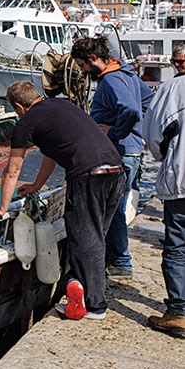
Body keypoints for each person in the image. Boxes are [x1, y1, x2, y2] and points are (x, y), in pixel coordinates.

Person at [0, 81, 124, 320]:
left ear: (19, 107)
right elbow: (51, 154)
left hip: (88, 177)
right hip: (116, 171)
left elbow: (12, 170)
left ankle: (94, 306)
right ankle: (80, 286)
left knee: (84, 239)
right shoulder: (62, 105)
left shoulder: (25, 123)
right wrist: (37, 186)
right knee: (97, 237)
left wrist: (2, 207)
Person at [71, 36, 154, 280]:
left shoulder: (112, 79)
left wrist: (116, 132)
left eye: (83, 65)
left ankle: (120, 261)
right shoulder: (127, 73)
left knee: (113, 207)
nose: (83, 71)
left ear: (93, 59)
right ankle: (118, 258)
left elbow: (130, 109)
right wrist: (140, 132)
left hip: (119, 152)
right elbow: (148, 102)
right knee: (116, 204)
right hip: (130, 150)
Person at [141, 47, 185, 338]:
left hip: (182, 178)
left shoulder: (173, 88)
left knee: (178, 246)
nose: (176, 64)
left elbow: (154, 134)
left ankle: (179, 312)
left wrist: (165, 157)